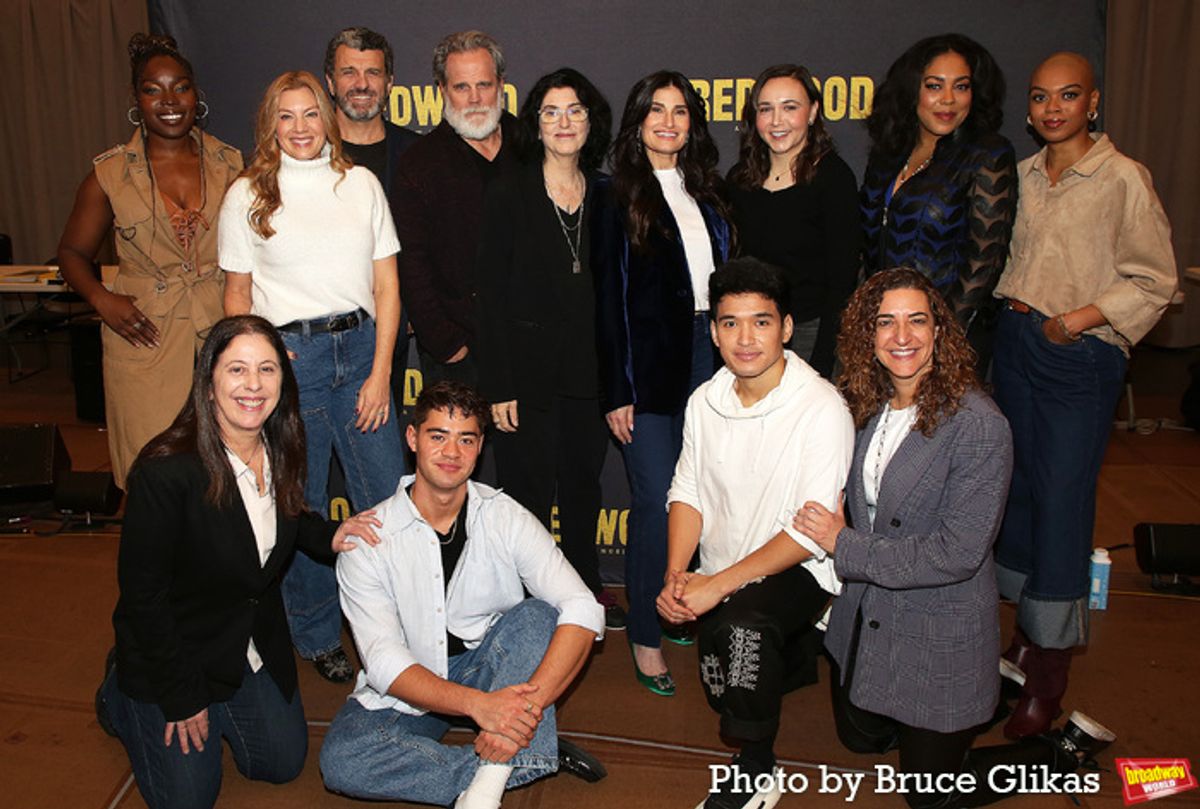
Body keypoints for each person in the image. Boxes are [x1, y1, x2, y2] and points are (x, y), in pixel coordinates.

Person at [795, 268, 1116, 808]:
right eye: (886, 323)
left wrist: (841, 542)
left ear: (939, 332)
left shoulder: (979, 425)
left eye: (917, 321)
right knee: (862, 740)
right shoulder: (867, 406)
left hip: (937, 617)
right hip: (870, 614)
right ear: (866, 337)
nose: (902, 337)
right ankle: (997, 688)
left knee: (928, 796)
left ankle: (1059, 752)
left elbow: (957, 554)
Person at [95, 315, 383, 809]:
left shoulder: (282, 442)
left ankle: (222, 702)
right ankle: (119, 694)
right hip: (176, 651)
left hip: (246, 641)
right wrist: (181, 695)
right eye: (237, 370)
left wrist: (331, 533)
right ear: (208, 383)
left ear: (282, 382)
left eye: (267, 369)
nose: (253, 385)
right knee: (189, 800)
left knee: (280, 763)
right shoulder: (165, 473)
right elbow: (145, 599)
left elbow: (286, 513)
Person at [991, 53, 1177, 738]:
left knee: (1064, 503)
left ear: (1092, 103)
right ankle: (1024, 642)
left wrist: (1076, 321)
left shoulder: (1123, 177)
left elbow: (1155, 280)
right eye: (1040, 97)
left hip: (1077, 354)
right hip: (1013, 346)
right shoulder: (1024, 176)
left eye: (1067, 96)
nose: (1052, 109)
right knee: (1020, 495)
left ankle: (1049, 674)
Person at [319, 382, 607, 809]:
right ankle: (525, 755)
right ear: (413, 439)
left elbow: (583, 607)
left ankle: (494, 775)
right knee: (343, 761)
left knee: (537, 616)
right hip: (416, 688)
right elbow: (383, 662)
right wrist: (483, 709)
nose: (451, 452)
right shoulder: (369, 538)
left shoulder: (504, 515)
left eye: (465, 439)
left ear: (480, 446)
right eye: (438, 436)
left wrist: (517, 711)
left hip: (490, 667)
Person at [219, 70, 406, 683]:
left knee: (386, 500)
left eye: (310, 114)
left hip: (360, 356)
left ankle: (396, 629)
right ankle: (319, 634)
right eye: (286, 116)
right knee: (304, 509)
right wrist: (262, 367)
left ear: (327, 117)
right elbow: (237, 296)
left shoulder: (361, 185)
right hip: (291, 364)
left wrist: (381, 372)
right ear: (269, 124)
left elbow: (386, 286)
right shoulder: (247, 194)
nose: (300, 128)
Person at [656, 258, 853, 809]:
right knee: (726, 687)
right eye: (730, 323)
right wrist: (678, 575)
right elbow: (687, 492)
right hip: (726, 566)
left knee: (744, 629)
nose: (745, 338)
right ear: (714, 330)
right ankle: (790, 659)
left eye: (761, 322)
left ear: (786, 328)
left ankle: (757, 772)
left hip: (800, 567)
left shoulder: (820, 407)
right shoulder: (705, 401)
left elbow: (811, 534)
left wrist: (717, 587)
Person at [593, 70, 732, 695]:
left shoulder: (709, 191)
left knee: (699, 494)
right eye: (657, 110)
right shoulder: (617, 193)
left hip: (717, 354)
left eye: (680, 111)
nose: (669, 121)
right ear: (638, 120)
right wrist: (618, 387)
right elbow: (609, 299)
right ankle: (646, 633)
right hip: (648, 369)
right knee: (654, 501)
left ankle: (681, 601)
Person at [57, 33, 243, 489]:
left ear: (197, 94)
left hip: (219, 330)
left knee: (227, 461)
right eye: (152, 89)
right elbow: (71, 254)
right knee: (152, 465)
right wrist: (103, 300)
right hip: (145, 335)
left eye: (180, 86)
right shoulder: (110, 174)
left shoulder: (230, 164)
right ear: (135, 99)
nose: (169, 101)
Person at [474, 68, 624, 629]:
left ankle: (584, 597)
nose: (565, 123)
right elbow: (487, 295)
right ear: (535, 124)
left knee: (583, 492)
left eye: (576, 112)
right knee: (529, 498)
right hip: (525, 381)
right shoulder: (508, 190)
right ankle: (530, 611)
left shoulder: (608, 193)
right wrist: (499, 386)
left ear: (592, 122)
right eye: (552, 112)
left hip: (589, 377)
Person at [860, 33, 1017, 371]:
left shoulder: (986, 155)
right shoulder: (887, 155)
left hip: (950, 339)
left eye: (961, 87)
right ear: (912, 89)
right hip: (887, 332)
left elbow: (983, 265)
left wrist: (941, 340)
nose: (948, 100)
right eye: (934, 86)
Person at [392, 30, 518, 386]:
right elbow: (411, 262)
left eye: (484, 84)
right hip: (460, 356)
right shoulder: (419, 163)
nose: (475, 98)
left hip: (534, 347)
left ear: (502, 85)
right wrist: (447, 344)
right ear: (442, 90)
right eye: (462, 87)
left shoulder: (532, 148)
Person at [726, 64, 860, 378]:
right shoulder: (739, 180)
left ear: (812, 112)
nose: (777, 121)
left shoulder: (833, 178)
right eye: (766, 109)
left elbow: (842, 280)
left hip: (810, 333)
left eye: (790, 108)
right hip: (751, 334)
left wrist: (825, 356)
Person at [323, 26, 421, 404]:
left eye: (373, 73)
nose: (361, 84)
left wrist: (413, 309)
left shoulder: (418, 155)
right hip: (319, 338)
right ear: (330, 82)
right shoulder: (304, 156)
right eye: (349, 72)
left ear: (390, 82)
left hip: (389, 336)